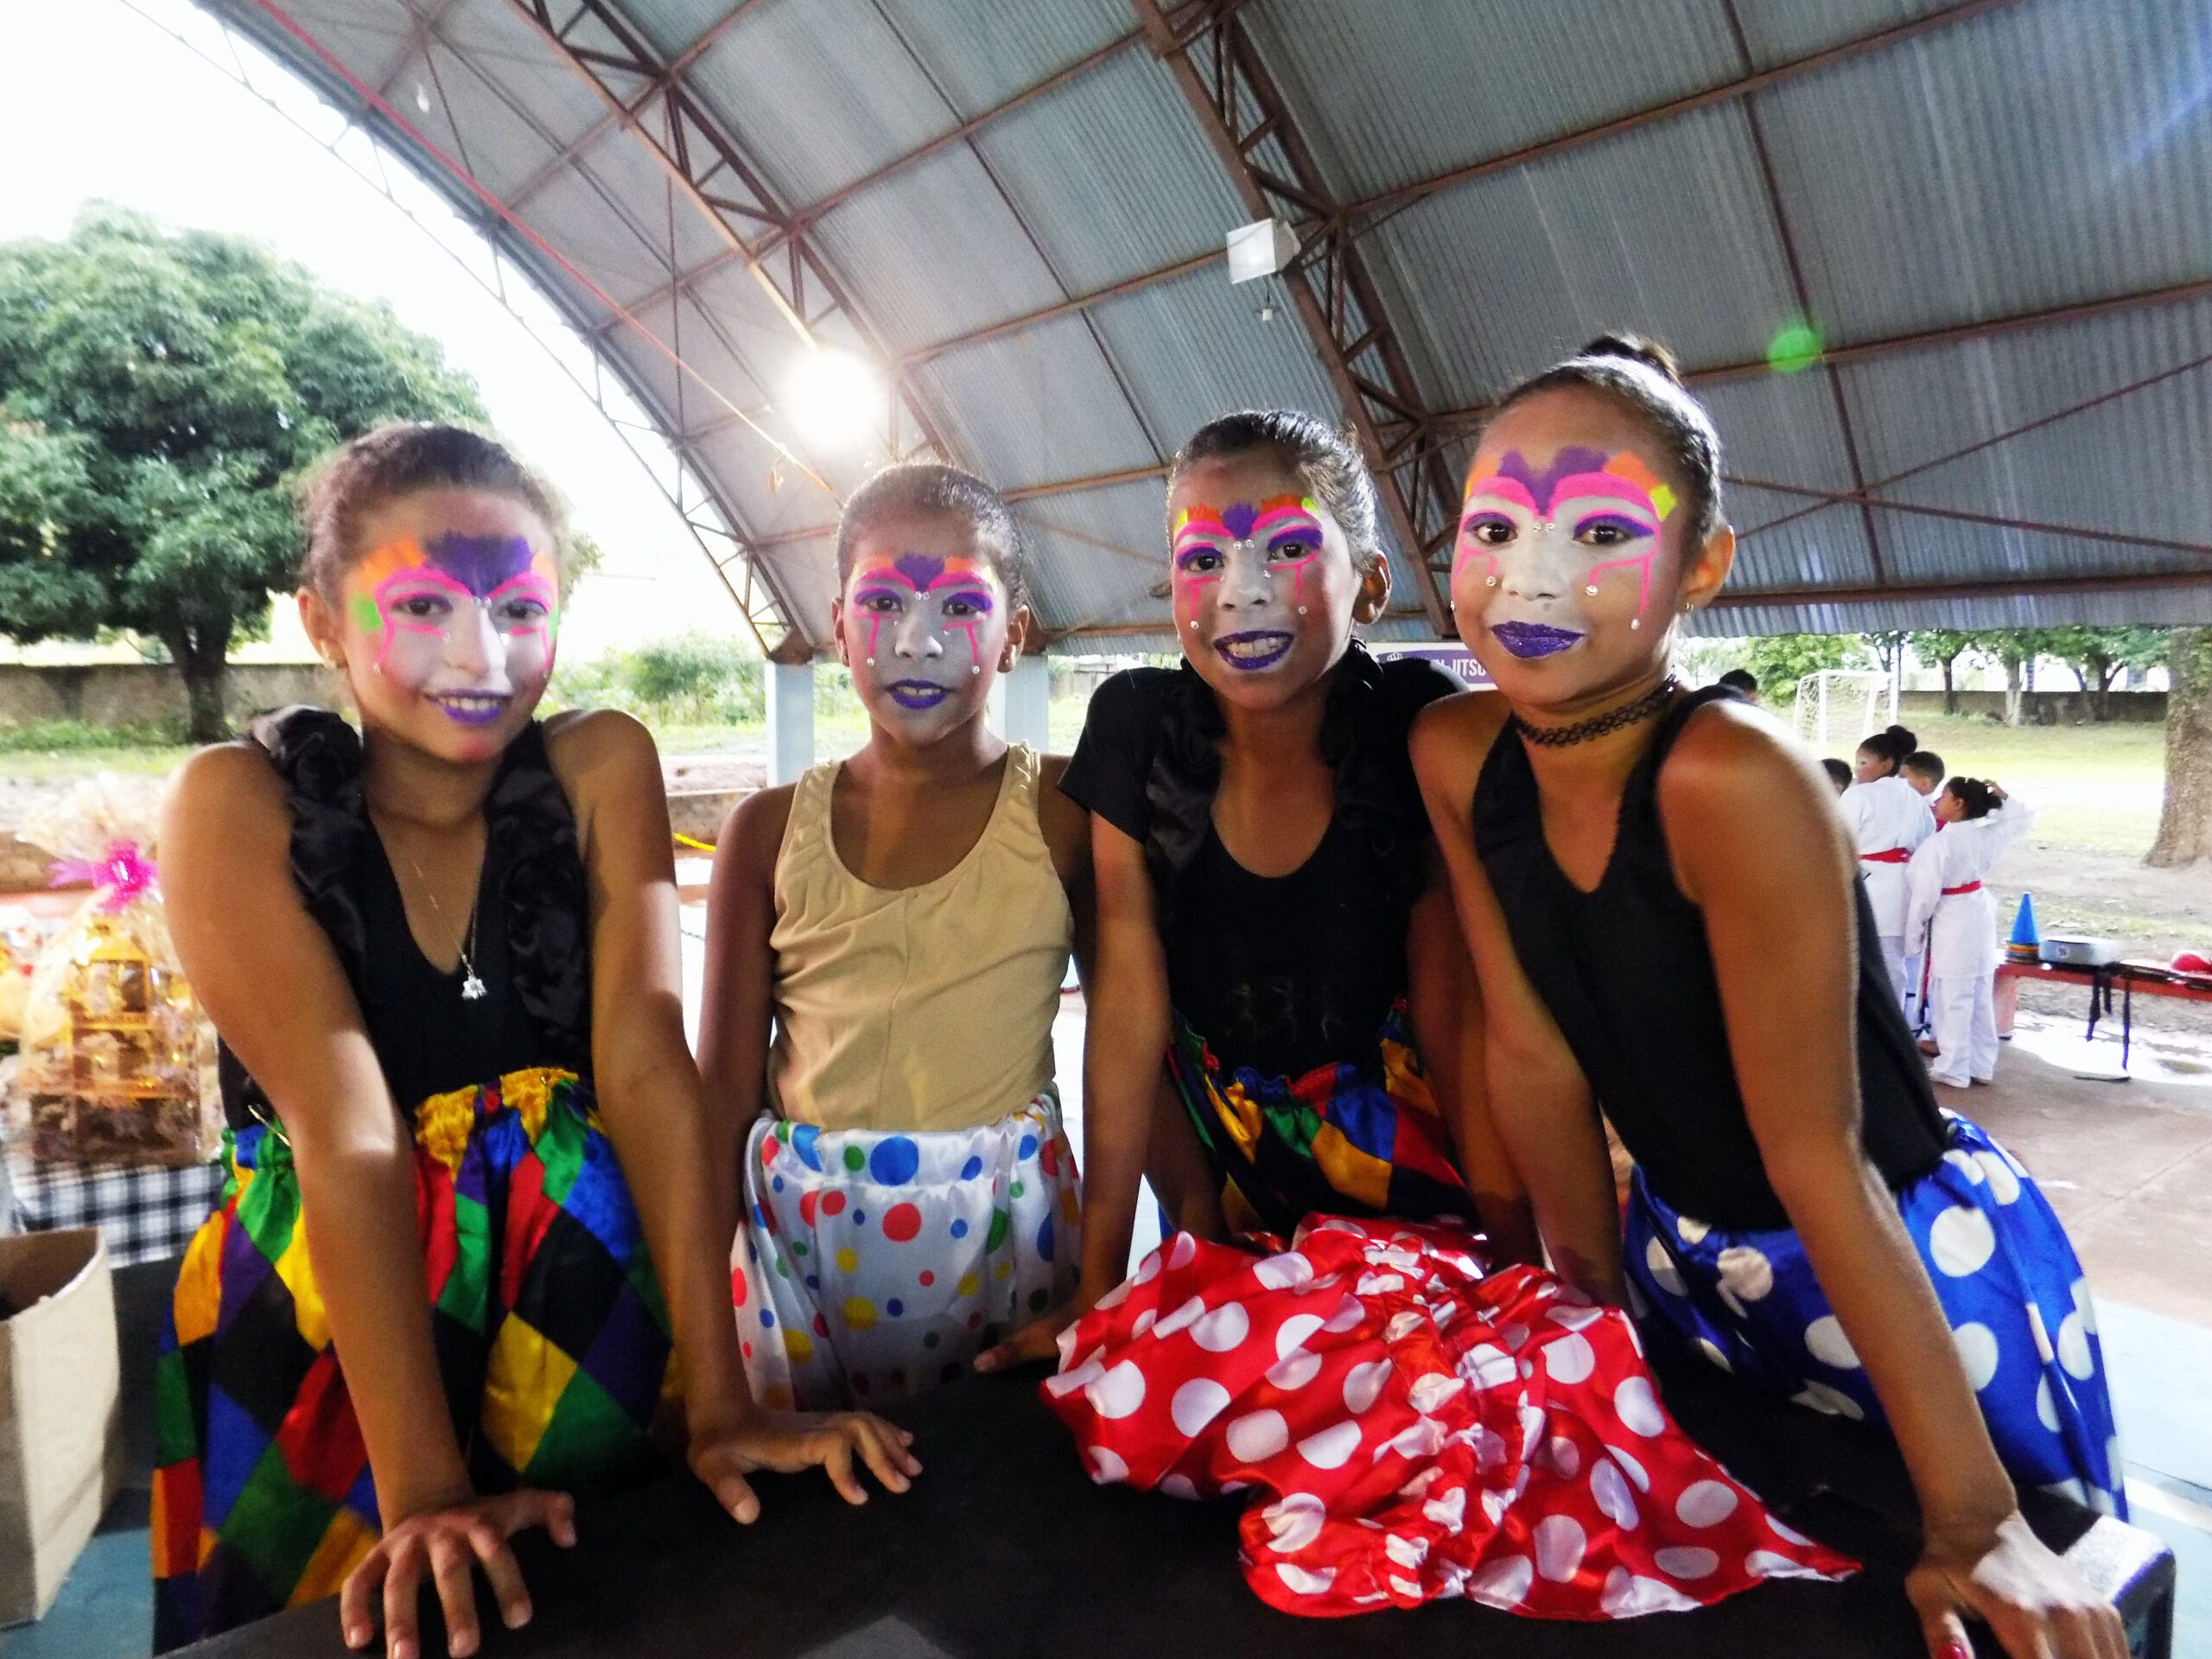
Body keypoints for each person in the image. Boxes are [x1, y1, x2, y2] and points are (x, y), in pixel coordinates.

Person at [1410, 335, 2126, 1659]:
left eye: (1601, 532)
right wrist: (1584, 1321)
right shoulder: (1456, 751)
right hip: (1686, 1260)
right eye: (1495, 528)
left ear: (1703, 568)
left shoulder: (1733, 781)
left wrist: (1971, 1519)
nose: (1530, 576)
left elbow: (1817, 1154)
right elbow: (1533, 1048)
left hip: (1904, 1270)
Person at [150, 424, 916, 1658]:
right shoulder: (237, 805)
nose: (483, 655)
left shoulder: (599, 767)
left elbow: (648, 1067)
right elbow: (347, 1132)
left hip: (577, 1292)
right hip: (336, 1324)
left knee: (620, 1599)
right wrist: (423, 1494)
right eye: (423, 606)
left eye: (519, 608)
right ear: (323, 621)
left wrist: (722, 1401)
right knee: (365, 1619)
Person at [980, 410, 1539, 1374]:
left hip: (1415, 1183)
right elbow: (1127, 1016)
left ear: (1370, 584)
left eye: (1284, 548)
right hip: (1229, 1185)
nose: (1241, 592)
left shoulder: (1416, 729)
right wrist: (1102, 1285)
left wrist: (1520, 1267)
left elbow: (1455, 1017)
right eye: (1203, 560)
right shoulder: (1139, 730)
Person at [698, 463, 1091, 1409]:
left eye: (960, 605)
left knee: (992, 1472)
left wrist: (1107, 1272)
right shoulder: (766, 830)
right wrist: (700, 1322)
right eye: (883, 603)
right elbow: (718, 1093)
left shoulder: (1067, 812)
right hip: (797, 1251)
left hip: (1006, 1239)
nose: (918, 639)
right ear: (839, 627)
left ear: (1014, 636)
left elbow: (1129, 1056)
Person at [1906, 780, 2035, 1088]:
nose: (1937, 802)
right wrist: (2003, 796)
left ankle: (1953, 1067)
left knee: (1953, 994)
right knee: (1978, 990)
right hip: (1977, 911)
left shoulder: (1940, 845)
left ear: (1959, 804)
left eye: (1945, 796)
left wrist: (1914, 933)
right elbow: (2021, 818)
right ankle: (1980, 1064)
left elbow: (1924, 896)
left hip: (1953, 917)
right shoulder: (1987, 834)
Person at [1841, 723, 1935, 1005]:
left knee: (1856, 962)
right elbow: (1927, 839)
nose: (1858, 770)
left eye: (1864, 763)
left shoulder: (1858, 796)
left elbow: (1837, 841)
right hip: (1902, 885)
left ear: (1887, 763)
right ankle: (1894, 1021)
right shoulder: (1915, 799)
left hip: (1866, 885)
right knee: (1893, 963)